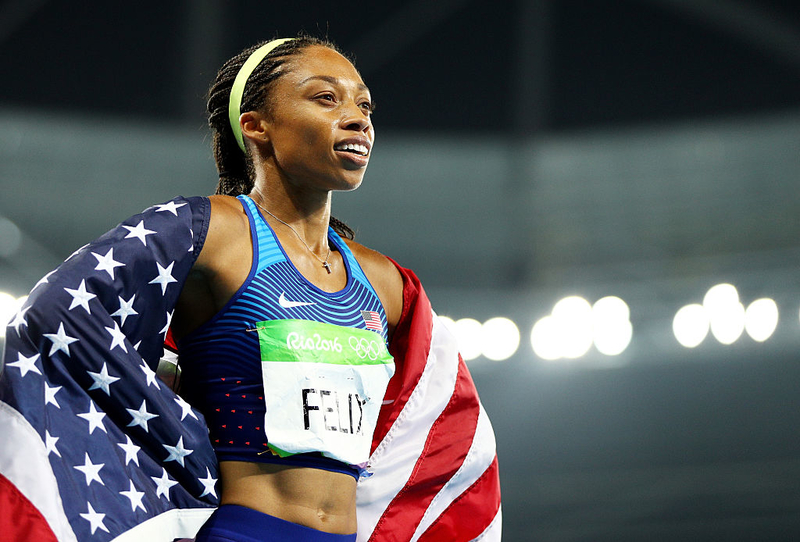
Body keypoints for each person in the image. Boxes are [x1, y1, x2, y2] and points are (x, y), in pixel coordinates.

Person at [0, 35, 501, 542]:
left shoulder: (386, 283)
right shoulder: (212, 233)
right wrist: (170, 421)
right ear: (256, 126)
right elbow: (57, 318)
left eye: (364, 104)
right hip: (243, 531)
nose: (358, 118)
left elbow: (426, 419)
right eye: (326, 98)